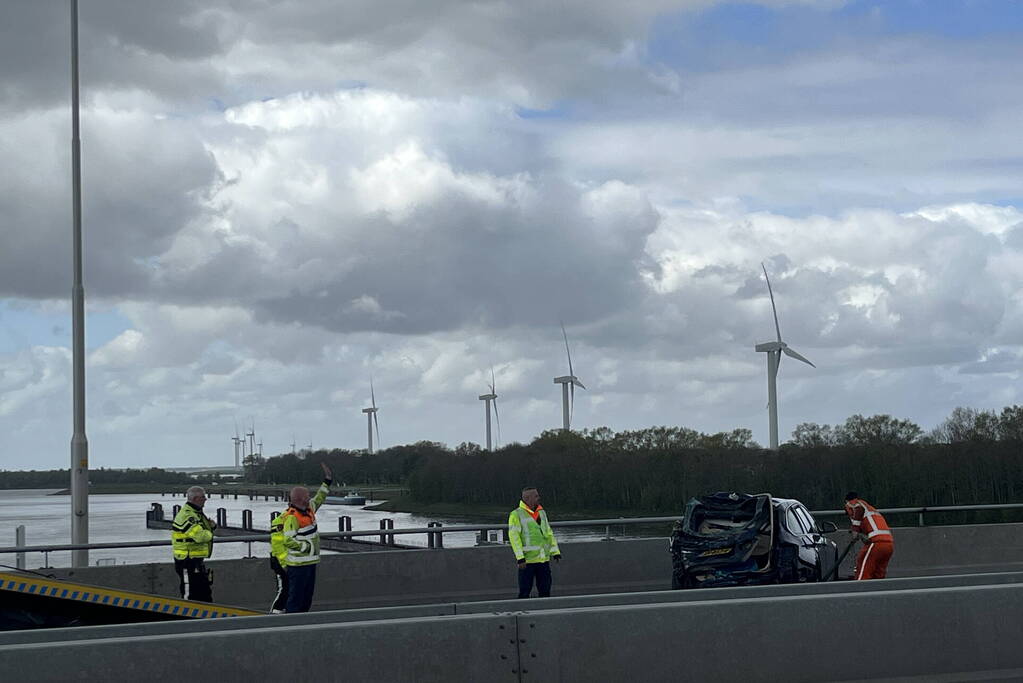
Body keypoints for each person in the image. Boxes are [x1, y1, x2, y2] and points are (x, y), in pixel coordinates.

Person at [280, 462, 332, 613]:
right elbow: (288, 540)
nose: (310, 496)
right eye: (307, 495)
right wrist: (307, 547)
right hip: (298, 566)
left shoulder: (309, 510)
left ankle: (303, 625)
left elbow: (320, 497)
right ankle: (292, 627)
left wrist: (327, 480)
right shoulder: (292, 517)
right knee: (296, 599)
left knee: (306, 598)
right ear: (300, 498)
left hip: (310, 562)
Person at [508, 486, 561, 598]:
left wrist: (555, 552)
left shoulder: (541, 512)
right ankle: (523, 612)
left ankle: (543, 613)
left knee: (545, 589)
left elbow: (548, 533)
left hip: (543, 560)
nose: (539, 497)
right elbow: (514, 538)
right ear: (528, 498)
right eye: (536, 496)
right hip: (527, 561)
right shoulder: (516, 514)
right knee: (525, 591)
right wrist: (520, 558)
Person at [171, 485, 217, 602]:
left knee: (204, 593)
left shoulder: (196, 513)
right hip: (187, 561)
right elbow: (200, 536)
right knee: (189, 594)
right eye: (203, 497)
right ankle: (187, 618)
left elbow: (207, 528)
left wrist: (210, 528)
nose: (205, 499)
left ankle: (205, 617)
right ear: (195, 499)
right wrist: (210, 533)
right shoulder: (187, 515)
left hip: (196, 560)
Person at [844, 492, 894, 580]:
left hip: (876, 543)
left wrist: (854, 533)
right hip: (888, 545)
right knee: (878, 574)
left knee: (863, 570)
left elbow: (855, 526)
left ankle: (860, 591)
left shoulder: (856, 505)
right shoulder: (870, 509)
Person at [268, 510, 289, 614]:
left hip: (292, 561)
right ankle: (273, 614)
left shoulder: (298, 517)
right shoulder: (282, 519)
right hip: (280, 562)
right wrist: (284, 563)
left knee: (289, 590)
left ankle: (285, 612)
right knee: (283, 590)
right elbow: (277, 542)